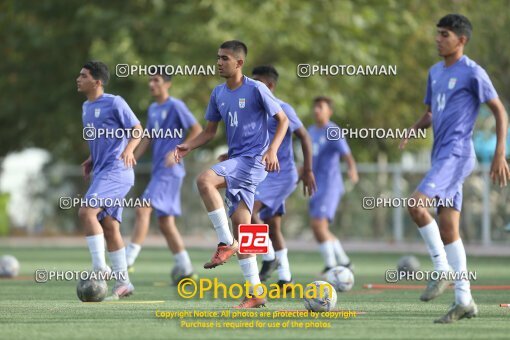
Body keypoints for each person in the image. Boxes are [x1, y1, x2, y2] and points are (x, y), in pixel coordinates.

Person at [400, 14, 509, 323]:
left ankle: (441, 269)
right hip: (441, 156)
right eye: (437, 34)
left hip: (458, 154)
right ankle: (464, 301)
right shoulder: (435, 72)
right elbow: (432, 112)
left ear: (461, 40)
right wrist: (414, 127)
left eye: (444, 35)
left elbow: (499, 112)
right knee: (448, 229)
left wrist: (500, 152)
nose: (438, 39)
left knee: (416, 205)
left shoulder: (473, 72)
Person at [174, 40, 289, 308]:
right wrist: (188, 145)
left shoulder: (257, 89)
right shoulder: (218, 94)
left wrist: (272, 151)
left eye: (224, 58)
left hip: (253, 162)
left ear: (239, 63)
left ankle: (225, 243)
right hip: (238, 160)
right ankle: (256, 292)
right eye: (218, 57)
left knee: (204, 180)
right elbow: (210, 132)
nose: (219, 62)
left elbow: (282, 120)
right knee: (244, 229)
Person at [125, 73, 202, 284]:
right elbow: (148, 137)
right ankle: (186, 268)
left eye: (156, 81)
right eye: (150, 80)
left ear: (167, 84)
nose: (151, 84)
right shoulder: (153, 108)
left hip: (171, 170)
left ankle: (126, 261)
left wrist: (178, 151)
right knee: (165, 223)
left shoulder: (176, 105)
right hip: (159, 170)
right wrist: (131, 157)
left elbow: (197, 129)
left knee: (142, 208)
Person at [244, 65, 316, 287]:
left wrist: (309, 170)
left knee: (247, 211)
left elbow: (304, 137)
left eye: (259, 82)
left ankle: (268, 258)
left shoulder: (284, 109)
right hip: (263, 176)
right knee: (272, 227)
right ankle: (286, 277)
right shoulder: (255, 111)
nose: (254, 86)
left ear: (270, 86)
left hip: (282, 175)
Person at [77, 61, 142, 300]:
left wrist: (130, 150)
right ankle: (124, 283)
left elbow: (137, 129)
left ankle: (99, 267)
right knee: (110, 227)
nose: (78, 78)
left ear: (97, 81)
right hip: (102, 171)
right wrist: (91, 159)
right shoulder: (85, 106)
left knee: (86, 212)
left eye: (83, 75)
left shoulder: (115, 102)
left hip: (118, 170)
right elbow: (102, 139)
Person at [308, 96, 358, 274]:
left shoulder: (333, 130)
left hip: (330, 184)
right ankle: (344, 262)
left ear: (329, 111)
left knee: (318, 226)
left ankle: (331, 266)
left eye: (320, 107)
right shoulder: (311, 131)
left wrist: (352, 169)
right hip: (315, 186)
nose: (316, 110)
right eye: (315, 106)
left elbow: (347, 154)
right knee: (319, 228)